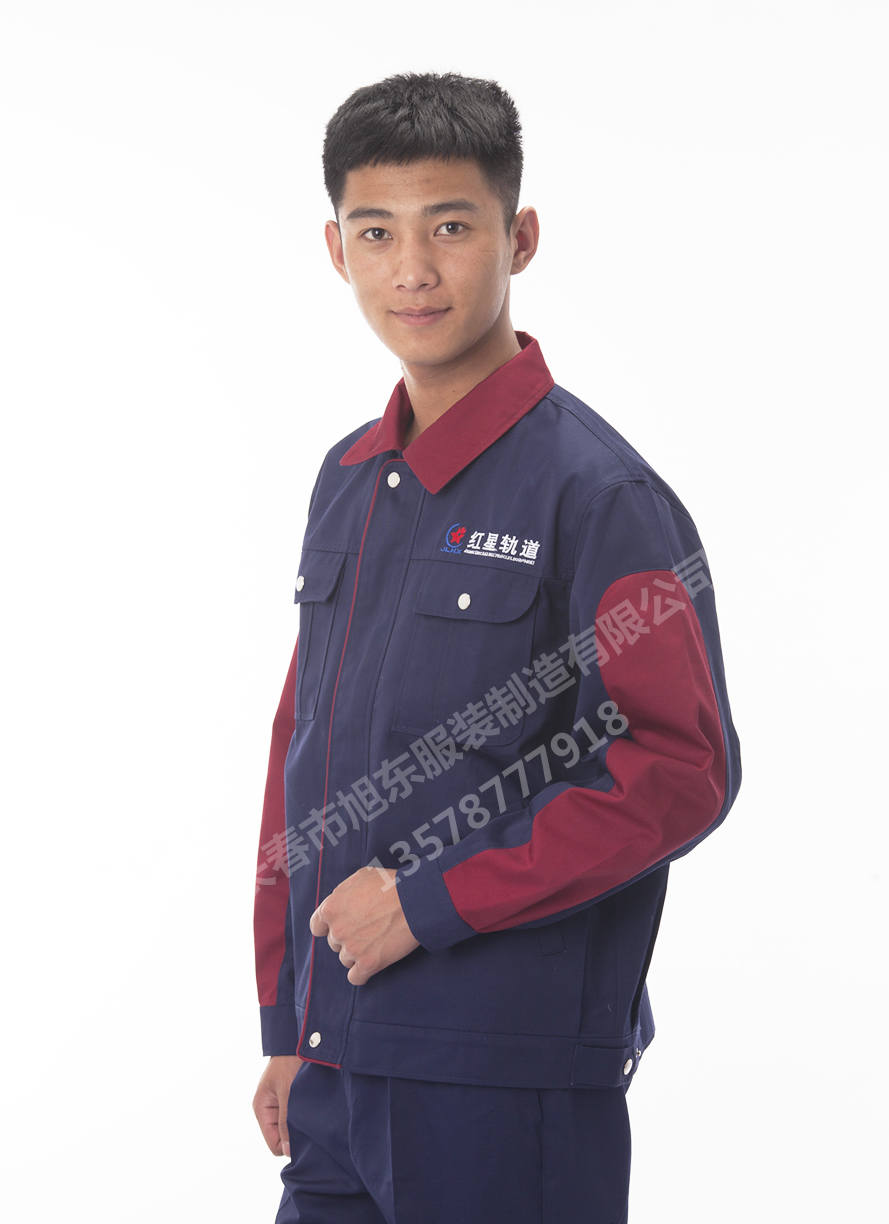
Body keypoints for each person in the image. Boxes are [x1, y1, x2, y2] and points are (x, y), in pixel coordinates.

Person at [251, 71, 742, 1224]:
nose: (411, 270)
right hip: (336, 1065)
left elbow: (680, 769)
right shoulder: (348, 478)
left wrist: (426, 901)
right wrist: (289, 1017)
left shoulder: (598, 495)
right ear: (335, 249)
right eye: (377, 232)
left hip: (501, 1077)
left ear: (518, 237)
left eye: (451, 227)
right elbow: (301, 748)